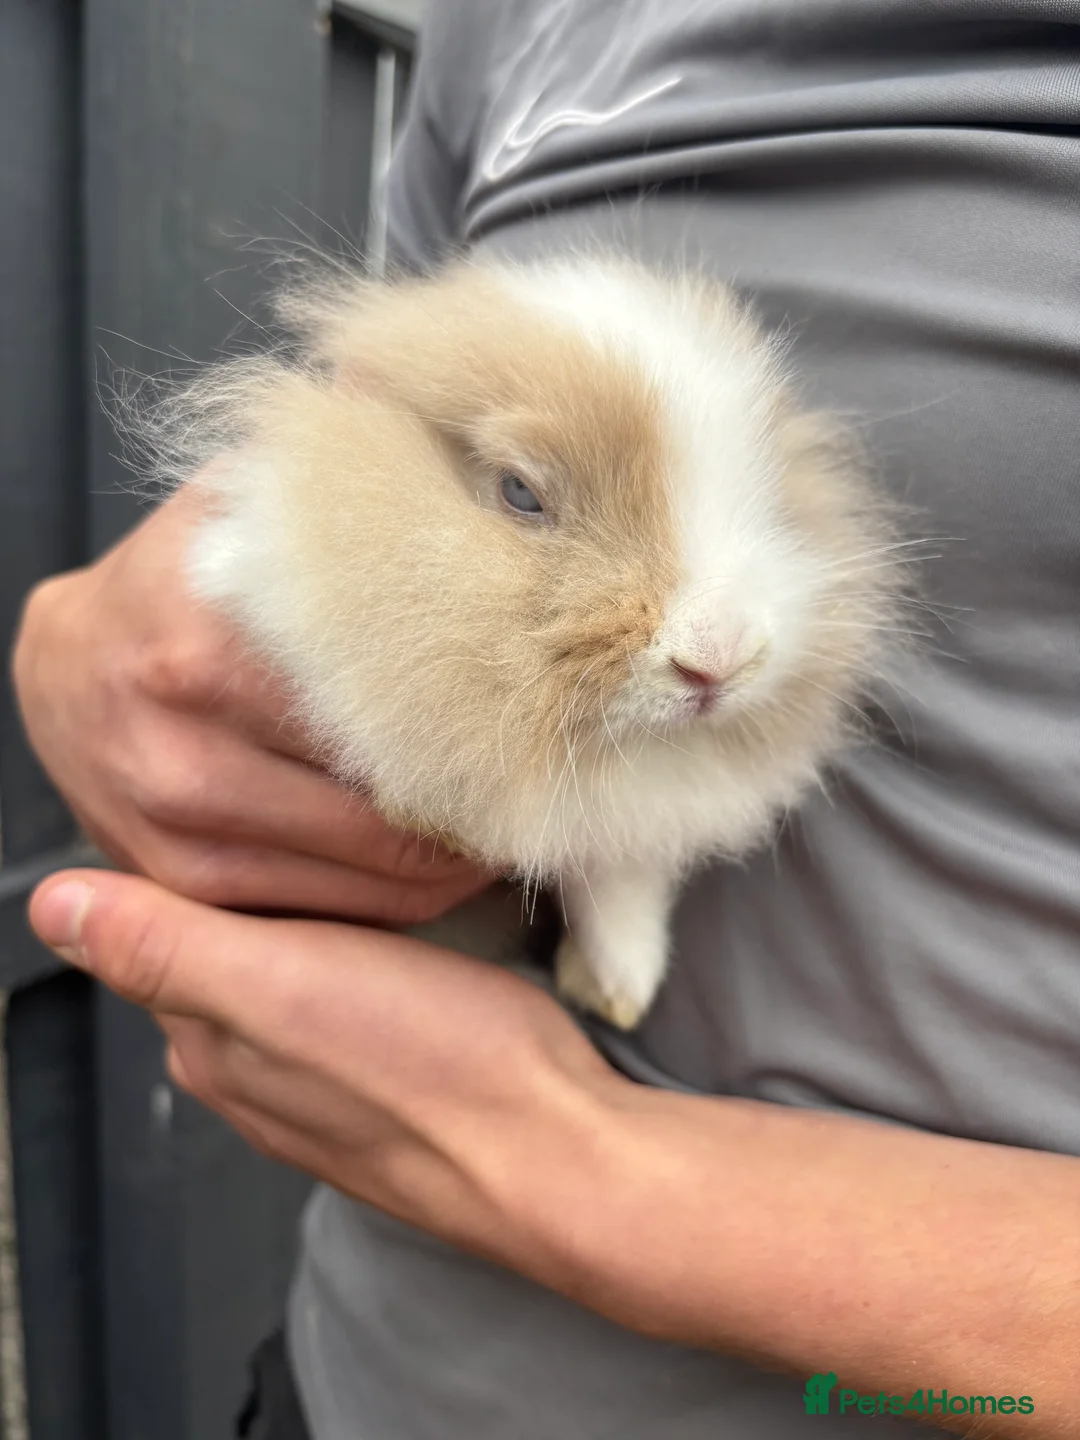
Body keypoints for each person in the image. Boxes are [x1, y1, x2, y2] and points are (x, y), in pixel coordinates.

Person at [13, 1, 1080, 1436]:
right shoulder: (510, 23)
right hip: (366, 1368)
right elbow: (383, 379)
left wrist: (570, 1159)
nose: (712, 644)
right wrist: (92, 659)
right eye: (528, 497)